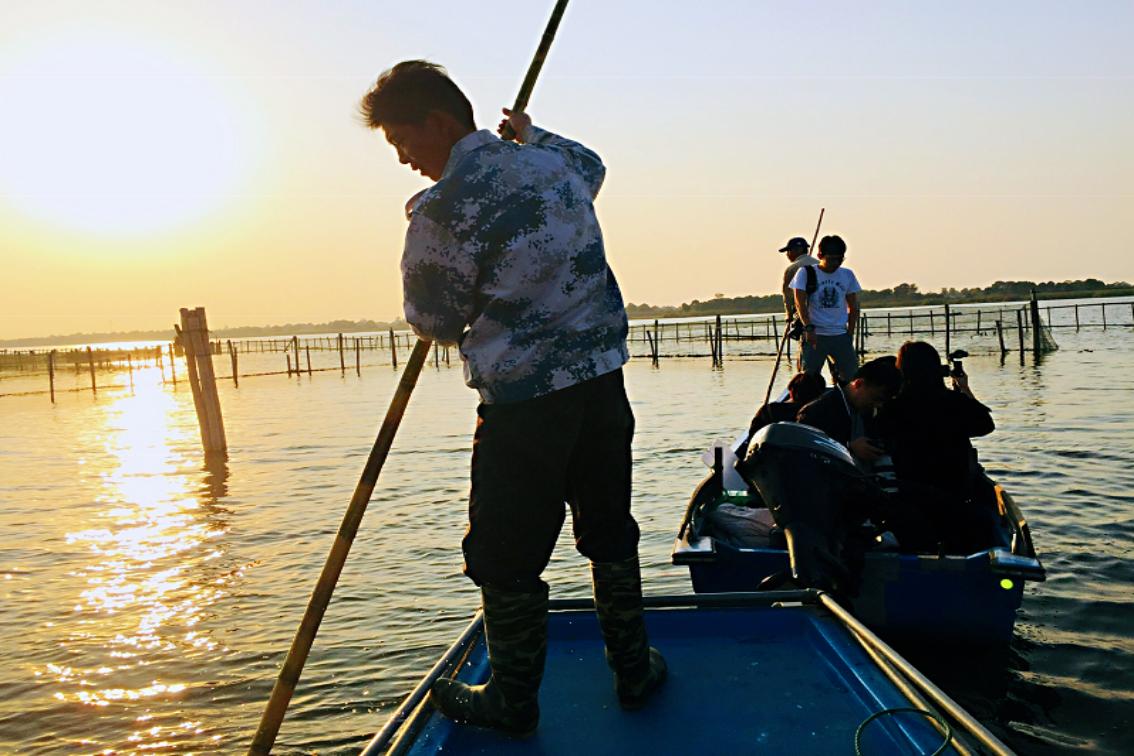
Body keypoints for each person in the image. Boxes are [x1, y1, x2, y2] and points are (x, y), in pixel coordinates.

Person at [359, 60, 665, 737]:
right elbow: (593, 164)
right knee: (609, 530)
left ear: (438, 122)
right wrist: (531, 132)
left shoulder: (443, 208)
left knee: (504, 554)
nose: (404, 159)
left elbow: (435, 321)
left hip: (526, 404)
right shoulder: (554, 166)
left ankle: (513, 699)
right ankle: (634, 669)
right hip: (601, 384)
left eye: (403, 141)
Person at [873, 341, 996, 553]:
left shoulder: (892, 407)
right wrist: (964, 389)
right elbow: (985, 425)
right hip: (955, 492)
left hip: (910, 492)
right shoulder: (954, 402)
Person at [795, 356, 901, 464]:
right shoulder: (816, 411)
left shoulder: (865, 409)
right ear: (858, 384)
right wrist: (849, 448)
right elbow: (805, 452)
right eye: (875, 398)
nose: (878, 405)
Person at [791, 235, 862, 383]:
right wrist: (809, 328)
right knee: (809, 378)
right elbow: (800, 304)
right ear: (820, 256)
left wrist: (849, 333)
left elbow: (853, 306)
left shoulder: (847, 274)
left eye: (839, 259)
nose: (835, 263)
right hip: (815, 335)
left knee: (852, 378)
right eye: (831, 259)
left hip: (840, 335)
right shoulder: (805, 273)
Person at [736, 371, 826, 459]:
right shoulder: (816, 412)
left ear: (791, 391)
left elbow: (753, 436)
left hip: (769, 457)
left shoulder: (768, 410)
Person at [778, 236, 819, 325]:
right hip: (822, 313)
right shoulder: (820, 264)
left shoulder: (792, 268)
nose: (787, 254)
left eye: (788, 251)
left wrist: (789, 314)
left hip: (803, 315)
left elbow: (787, 293)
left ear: (797, 250)